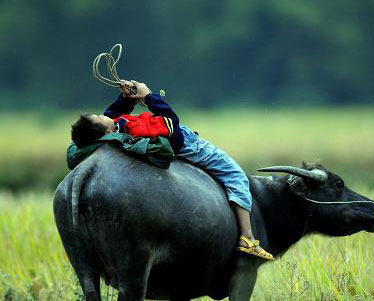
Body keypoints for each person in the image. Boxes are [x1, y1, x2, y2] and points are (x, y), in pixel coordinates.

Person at [71, 80, 274, 260]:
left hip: (167, 135)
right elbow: (171, 124)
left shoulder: (114, 129)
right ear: (106, 131)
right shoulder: (135, 129)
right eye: (98, 117)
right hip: (188, 144)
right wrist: (149, 97)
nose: (102, 114)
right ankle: (247, 237)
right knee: (235, 174)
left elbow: (111, 115)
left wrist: (126, 98)